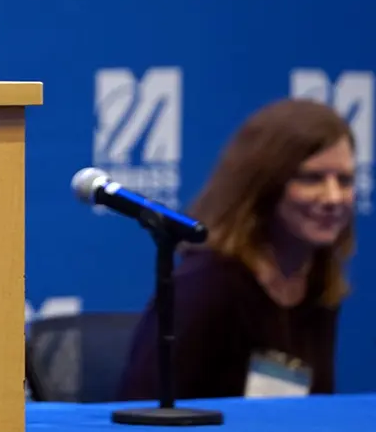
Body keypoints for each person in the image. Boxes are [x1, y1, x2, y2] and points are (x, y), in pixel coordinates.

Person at [116, 97, 356, 401]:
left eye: (345, 180)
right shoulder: (207, 285)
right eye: (311, 178)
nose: (334, 197)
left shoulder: (319, 278)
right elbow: (142, 414)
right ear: (264, 183)